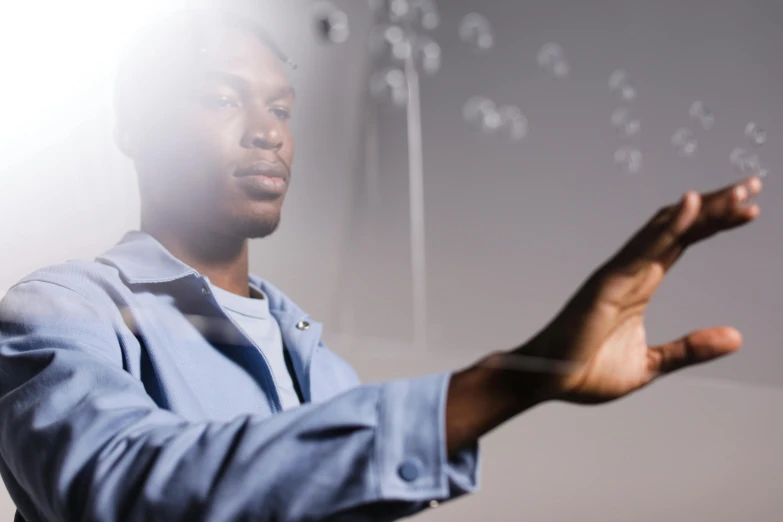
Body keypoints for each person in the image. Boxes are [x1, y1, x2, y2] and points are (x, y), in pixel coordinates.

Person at [0, 7, 764, 522]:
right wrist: (512, 377)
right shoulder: (60, 312)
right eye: (222, 99)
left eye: (280, 108)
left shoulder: (319, 363)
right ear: (134, 125)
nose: (266, 133)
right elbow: (123, 489)